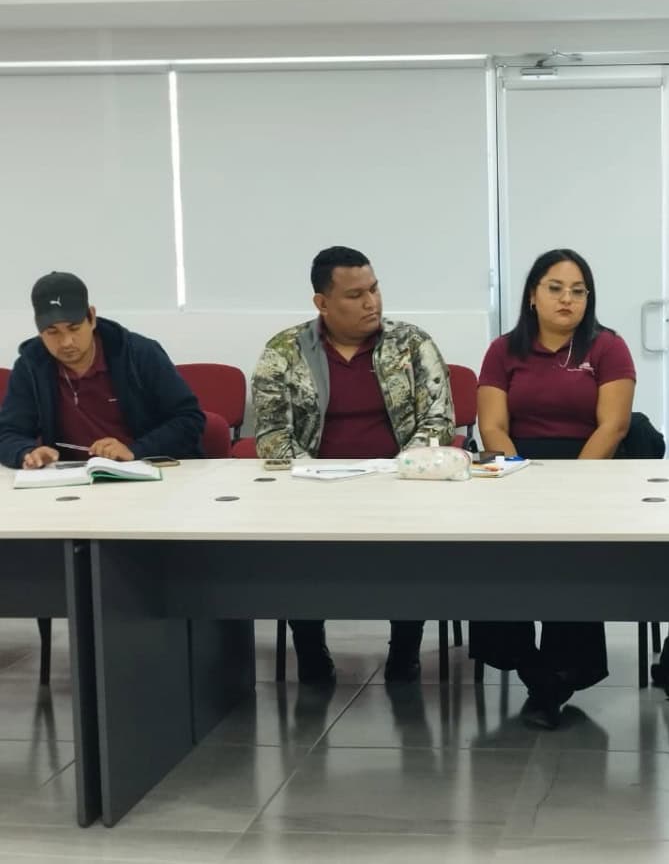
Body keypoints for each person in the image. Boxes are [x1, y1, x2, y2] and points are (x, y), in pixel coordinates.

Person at [251, 245, 454, 684]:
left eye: (374, 289)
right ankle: (310, 648)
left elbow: (438, 420)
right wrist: (318, 479)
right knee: (295, 548)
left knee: (415, 545)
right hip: (314, 489)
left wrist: (397, 472)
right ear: (322, 303)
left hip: (399, 485)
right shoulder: (284, 351)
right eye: (355, 295)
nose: (371, 303)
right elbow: (271, 434)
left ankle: (405, 648)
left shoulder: (412, 344)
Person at [472, 248, 636, 729]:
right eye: (556, 288)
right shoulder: (504, 350)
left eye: (578, 291)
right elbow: (491, 426)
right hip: (516, 467)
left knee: (570, 560)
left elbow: (614, 426)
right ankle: (534, 672)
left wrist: (573, 486)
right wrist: (520, 477)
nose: (568, 299)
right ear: (532, 295)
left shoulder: (607, 347)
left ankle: (560, 675)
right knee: (499, 557)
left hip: (587, 468)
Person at [0, 272, 203, 469]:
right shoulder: (31, 365)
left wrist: (135, 451)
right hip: (74, 479)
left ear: (92, 318)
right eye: (52, 332)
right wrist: (26, 453)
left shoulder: (138, 353)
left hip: (148, 471)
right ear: (39, 331)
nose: (66, 342)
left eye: (74, 328)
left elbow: (189, 419)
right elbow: (8, 433)